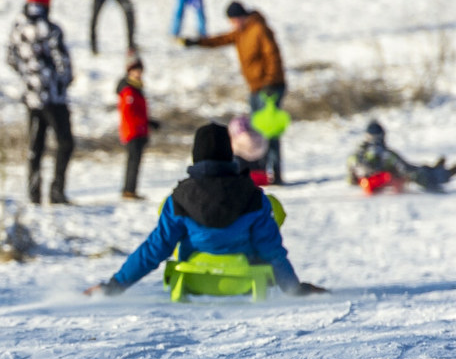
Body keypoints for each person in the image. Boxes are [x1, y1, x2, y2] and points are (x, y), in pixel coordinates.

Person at [84, 123, 327, 296]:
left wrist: (114, 286)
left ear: (196, 156)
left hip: (195, 283)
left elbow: (154, 249)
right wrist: (295, 289)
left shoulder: (179, 198)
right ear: (228, 155)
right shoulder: (253, 196)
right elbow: (272, 250)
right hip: (243, 285)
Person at [182, 0, 287, 184]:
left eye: (234, 20)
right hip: (255, 87)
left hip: (270, 87)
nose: (233, 24)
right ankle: (259, 170)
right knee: (256, 132)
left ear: (241, 17)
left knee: (269, 130)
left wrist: (270, 82)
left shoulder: (259, 29)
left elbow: (273, 56)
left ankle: (275, 171)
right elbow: (221, 40)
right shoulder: (241, 32)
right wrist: (197, 42)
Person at [6, 0, 74, 205]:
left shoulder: (18, 28)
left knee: (36, 146)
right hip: (53, 97)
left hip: (32, 97)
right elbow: (62, 63)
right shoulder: (50, 30)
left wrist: (29, 78)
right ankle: (57, 191)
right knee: (65, 142)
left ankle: (33, 193)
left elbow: (10, 58)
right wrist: (60, 81)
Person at [347, 120, 456, 191]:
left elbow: (350, 179)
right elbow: (406, 168)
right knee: (416, 173)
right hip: (382, 182)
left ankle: (435, 169)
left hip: (370, 185)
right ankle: (441, 175)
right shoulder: (385, 154)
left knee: (415, 171)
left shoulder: (356, 156)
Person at [117, 56, 159, 200]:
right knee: (133, 162)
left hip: (139, 129)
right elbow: (129, 113)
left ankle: (130, 189)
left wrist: (148, 122)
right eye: (135, 70)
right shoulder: (129, 90)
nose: (139, 73)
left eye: (140, 70)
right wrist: (143, 123)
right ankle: (129, 190)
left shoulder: (137, 88)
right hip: (133, 131)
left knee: (135, 161)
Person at [228, 115, 270, 185]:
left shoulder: (239, 135)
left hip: (242, 169)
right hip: (259, 169)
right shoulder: (258, 132)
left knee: (238, 160)